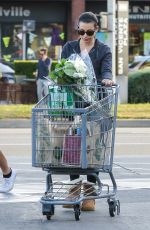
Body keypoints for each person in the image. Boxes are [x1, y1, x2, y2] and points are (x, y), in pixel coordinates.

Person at [61, 11, 113, 211]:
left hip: (96, 106)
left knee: (92, 148)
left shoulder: (103, 50)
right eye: (81, 31)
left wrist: (106, 79)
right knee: (73, 146)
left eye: (89, 31)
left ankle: (89, 192)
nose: (85, 35)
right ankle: (74, 188)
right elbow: (63, 69)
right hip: (73, 103)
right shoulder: (69, 47)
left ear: (96, 29)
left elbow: (106, 69)